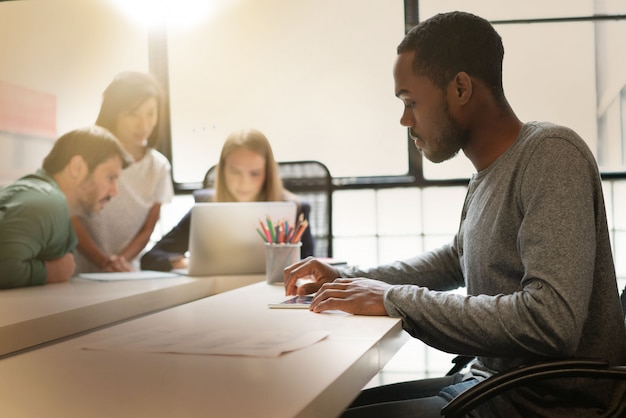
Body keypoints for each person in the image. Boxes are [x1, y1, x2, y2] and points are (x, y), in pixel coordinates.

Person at [284, 11, 626, 417]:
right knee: (333, 408)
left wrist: (394, 300)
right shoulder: (488, 173)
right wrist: (351, 278)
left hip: (543, 404)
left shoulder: (551, 155)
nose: (405, 119)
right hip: (492, 382)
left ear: (461, 87)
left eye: (411, 102)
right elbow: (456, 258)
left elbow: (551, 320)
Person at [141, 128, 314, 271]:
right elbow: (151, 258)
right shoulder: (206, 209)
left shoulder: (295, 210)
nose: (243, 183)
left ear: (267, 173)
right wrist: (186, 263)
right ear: (222, 170)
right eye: (235, 172)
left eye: (254, 173)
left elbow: (310, 265)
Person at [0, 126, 132, 289]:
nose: (114, 192)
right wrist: (51, 271)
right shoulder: (46, 204)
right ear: (77, 167)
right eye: (110, 177)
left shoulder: (49, 202)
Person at [72, 72, 174, 273]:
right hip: (80, 270)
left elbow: (148, 228)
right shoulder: (85, 154)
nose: (143, 125)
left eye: (151, 114)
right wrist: (101, 260)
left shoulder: (159, 166)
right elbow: (70, 216)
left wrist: (119, 262)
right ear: (114, 113)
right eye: (132, 114)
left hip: (125, 270)